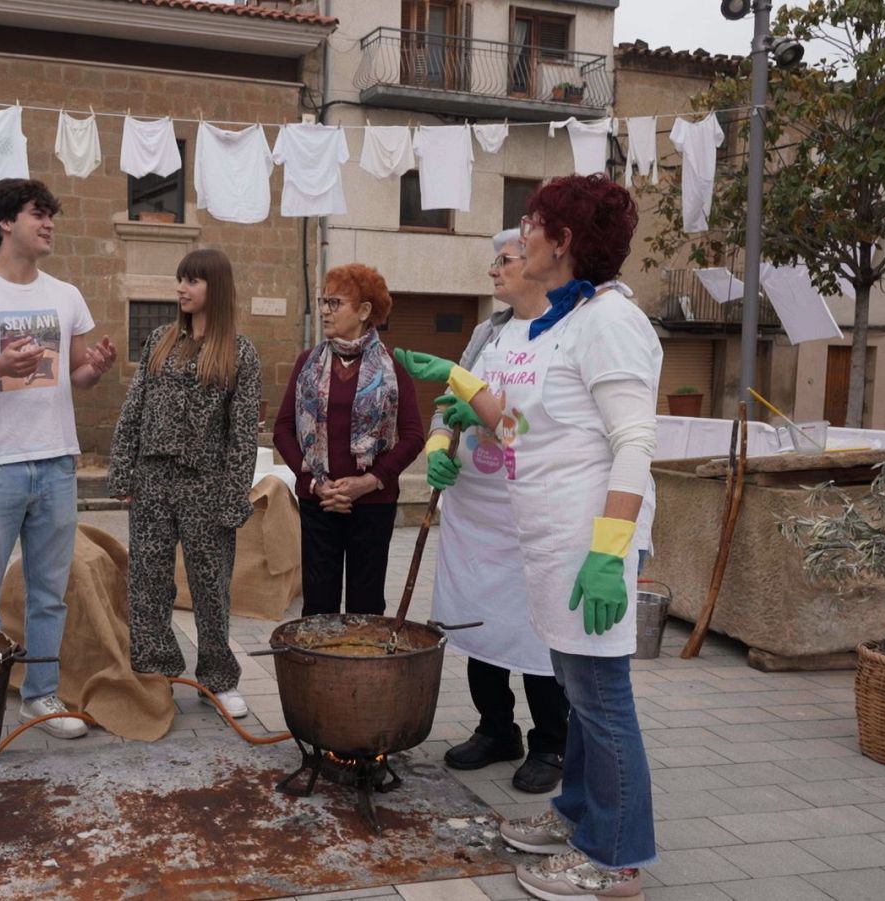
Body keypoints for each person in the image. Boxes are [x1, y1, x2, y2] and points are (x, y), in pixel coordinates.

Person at [397, 174, 661, 899]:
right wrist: (459, 384)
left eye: (532, 222)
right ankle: (580, 813)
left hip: (588, 543)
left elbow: (635, 439)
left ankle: (615, 858)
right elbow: (522, 428)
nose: (521, 234)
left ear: (564, 240)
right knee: (580, 693)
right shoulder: (563, 322)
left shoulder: (611, 320)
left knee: (603, 700)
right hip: (549, 536)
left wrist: (610, 551)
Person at [0, 178, 117, 739]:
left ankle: (40, 697)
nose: (49, 224)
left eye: (51, 215)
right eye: (39, 214)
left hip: (57, 463)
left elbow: (76, 377)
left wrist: (96, 368)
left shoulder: (66, 295)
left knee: (49, 594)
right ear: (6, 222)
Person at [423, 229, 569, 795]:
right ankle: (496, 727)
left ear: (536, 262)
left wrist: (482, 415)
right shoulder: (487, 333)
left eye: (504, 259)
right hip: (476, 517)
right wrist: (439, 448)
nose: (494, 270)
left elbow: (538, 428)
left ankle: (553, 742)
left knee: (535, 631)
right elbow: (444, 410)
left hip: (528, 514)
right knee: (479, 620)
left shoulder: (561, 332)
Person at [106, 248, 261, 718]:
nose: (182, 289)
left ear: (217, 287)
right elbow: (135, 407)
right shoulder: (160, 339)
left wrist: (234, 497)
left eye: (192, 281)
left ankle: (217, 679)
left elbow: (242, 434)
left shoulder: (239, 352)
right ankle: (157, 675)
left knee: (210, 587)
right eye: (180, 280)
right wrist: (123, 468)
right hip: (152, 480)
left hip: (206, 487)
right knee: (148, 583)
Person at [272, 263, 422, 616]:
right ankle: (319, 671)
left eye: (335, 302)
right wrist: (314, 483)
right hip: (319, 503)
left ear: (365, 311)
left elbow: (414, 436)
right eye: (324, 301)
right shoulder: (307, 363)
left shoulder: (392, 367)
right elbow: (283, 429)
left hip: (373, 505)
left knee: (366, 606)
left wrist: (368, 482)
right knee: (318, 605)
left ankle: (364, 671)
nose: (325, 310)